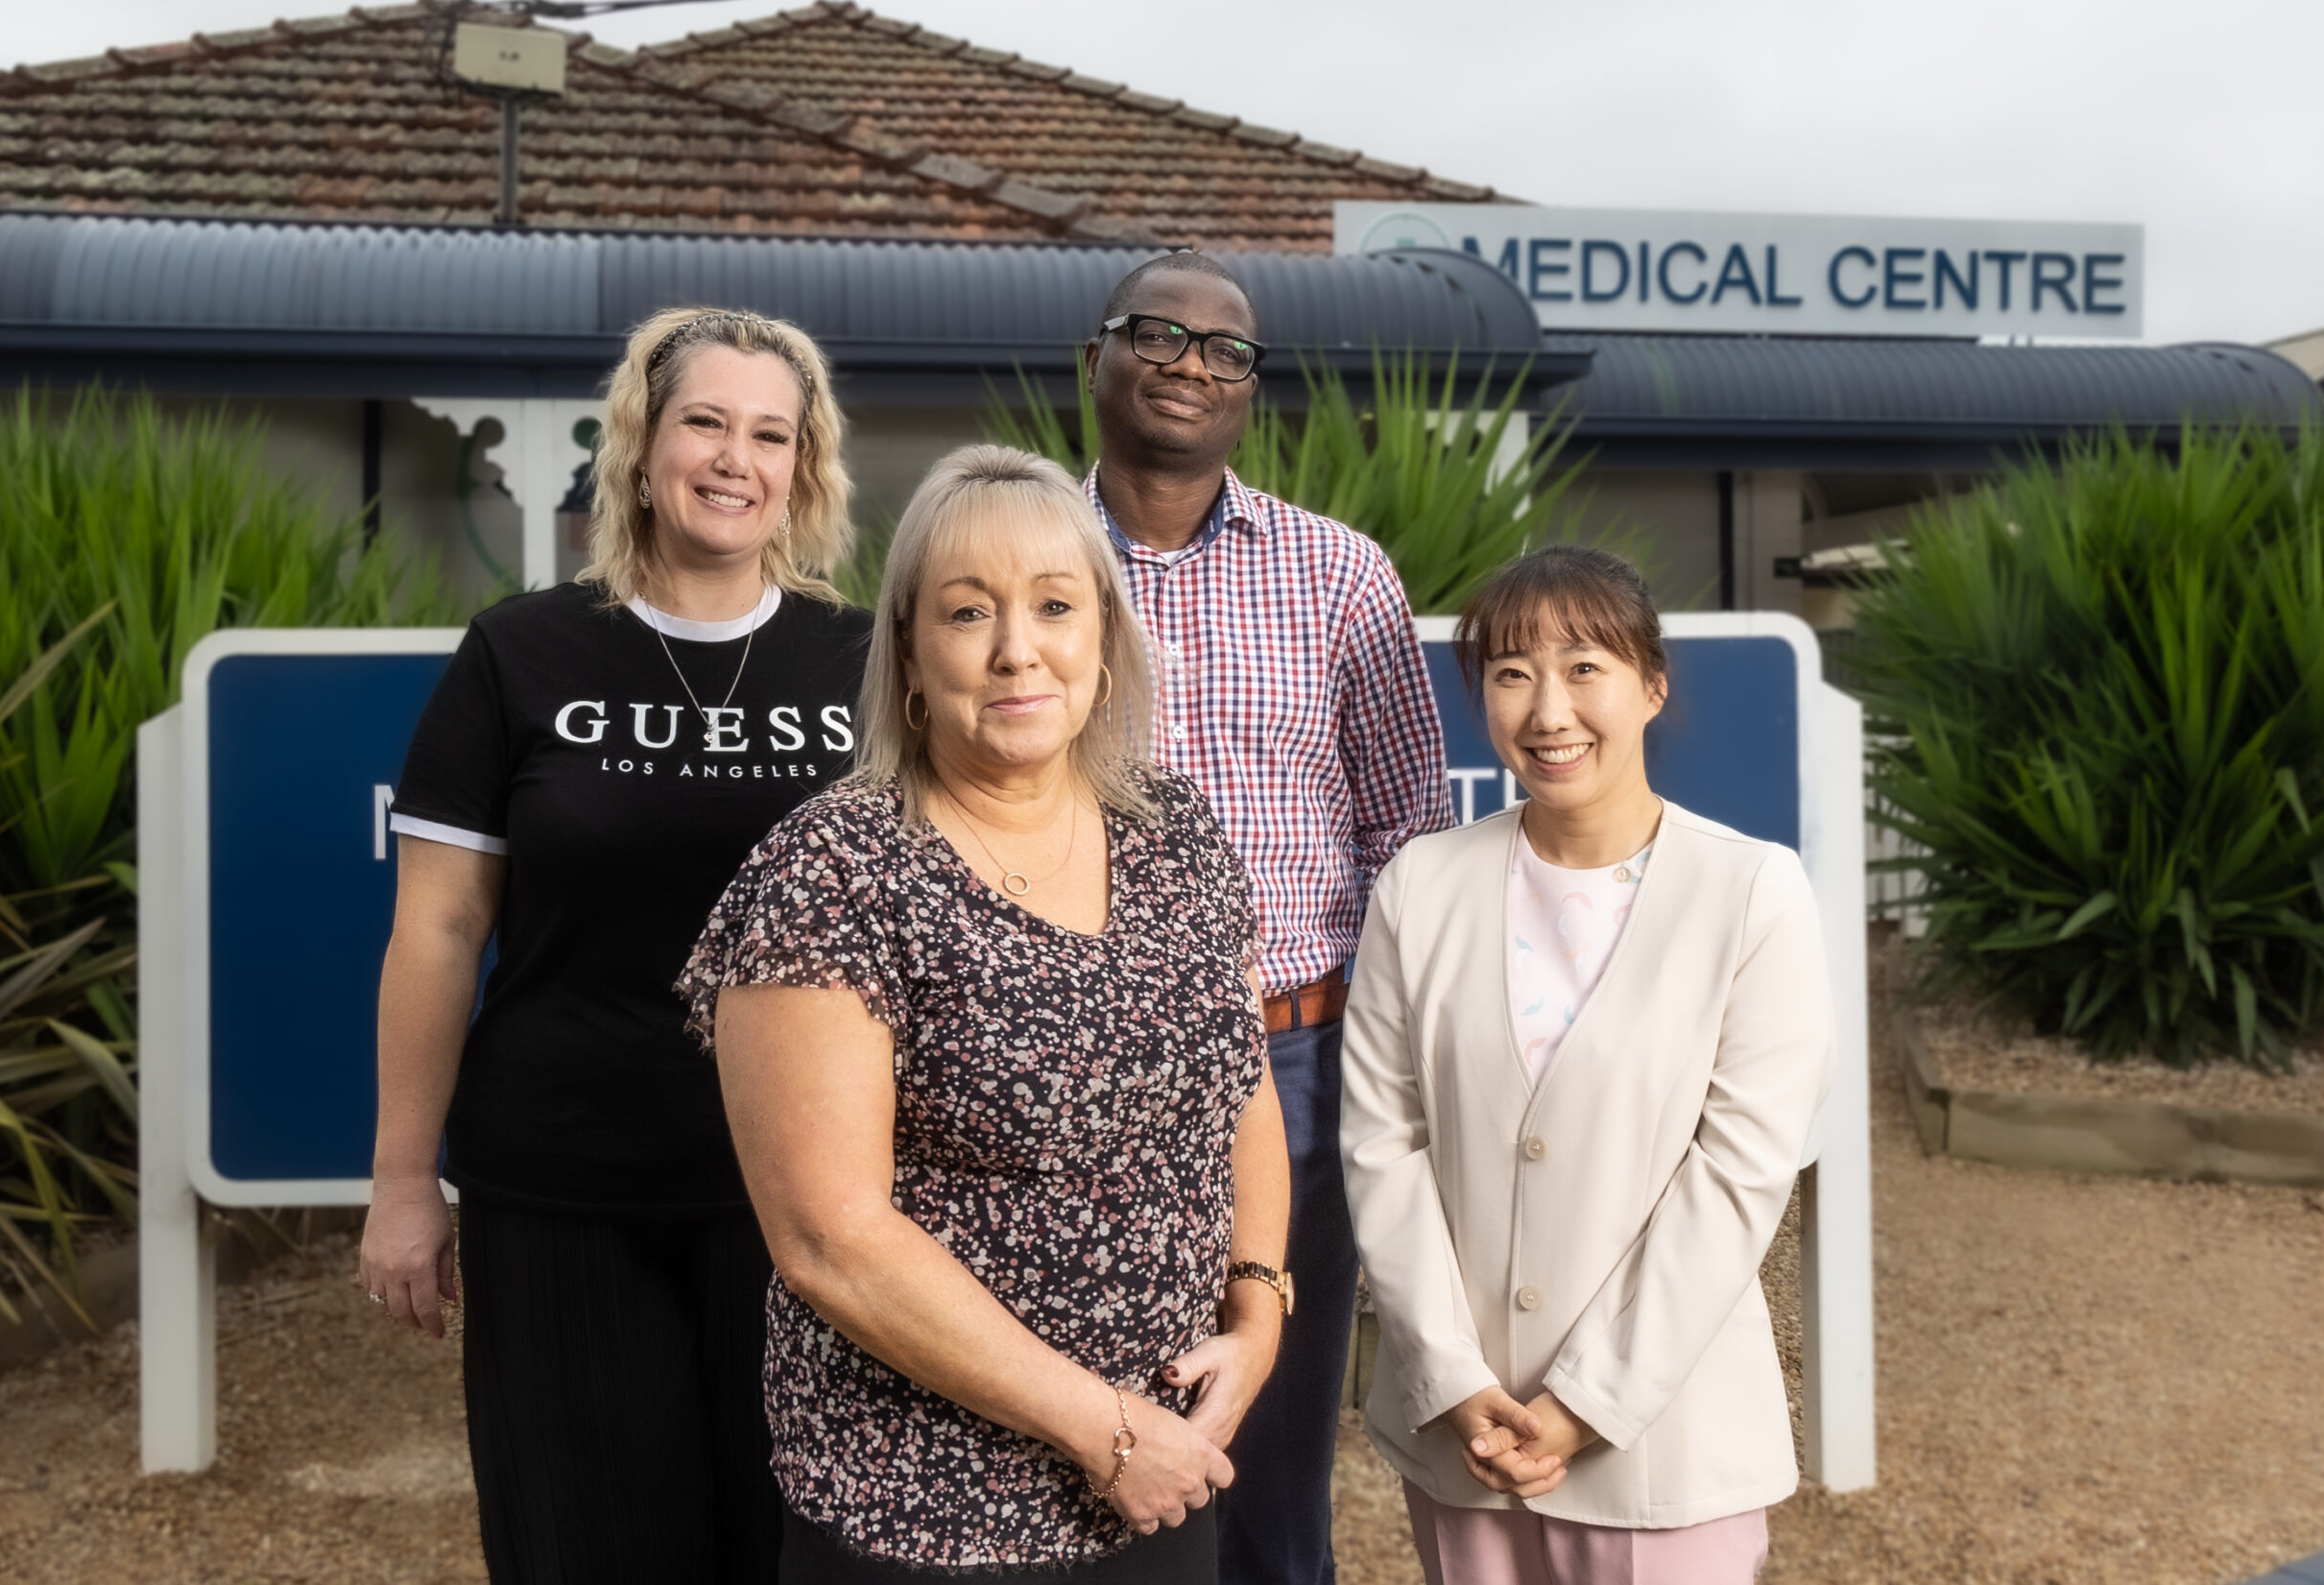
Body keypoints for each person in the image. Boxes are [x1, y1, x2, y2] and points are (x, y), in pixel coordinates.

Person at [677, 444, 1290, 1581]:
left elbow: (1241, 1085)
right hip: (928, 1512)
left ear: (1103, 640)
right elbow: (828, 1240)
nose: (1018, 649)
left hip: (1166, 1475)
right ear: (909, 651)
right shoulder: (834, 869)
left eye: (1054, 606)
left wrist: (1257, 1313)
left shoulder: (1175, 831)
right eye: (968, 613)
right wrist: (1100, 1428)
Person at [358, 307, 872, 1582]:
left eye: (770, 432)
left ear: (803, 467)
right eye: (704, 421)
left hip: (812, 1193)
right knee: (580, 1543)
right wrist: (402, 1180)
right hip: (563, 1184)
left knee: (793, 1548)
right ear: (641, 446)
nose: (732, 457)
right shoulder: (520, 652)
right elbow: (437, 925)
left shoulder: (865, 663)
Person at [1339, 545, 1834, 1585]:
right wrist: (1448, 1375)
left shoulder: (1751, 893)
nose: (1547, 710)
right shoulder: (1418, 888)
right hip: (1465, 1435)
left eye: (1583, 669)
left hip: (1664, 1437)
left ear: (1650, 685)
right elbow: (1381, 1143)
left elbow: (1738, 1176)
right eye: (1512, 674)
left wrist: (1585, 1404)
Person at [1078, 249, 1454, 1585]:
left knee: (1280, 1449)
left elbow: (1409, 832)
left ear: (1252, 387)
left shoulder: (1343, 577)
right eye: (1158, 335)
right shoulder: (1018, 560)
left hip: (1299, 1059)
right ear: (1096, 358)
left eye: (1224, 348)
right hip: (1072, 1057)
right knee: (1082, 1431)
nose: (1190, 362)